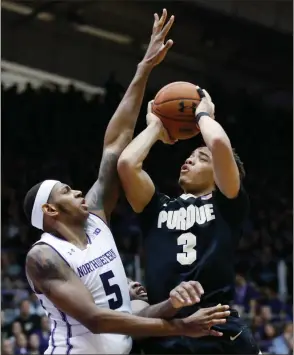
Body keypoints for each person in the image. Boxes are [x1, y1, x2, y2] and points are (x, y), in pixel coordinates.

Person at [23, 12, 230, 355]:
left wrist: (144, 68)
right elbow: (96, 320)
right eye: (65, 191)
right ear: (50, 210)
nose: (77, 191)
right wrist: (179, 326)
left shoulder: (96, 220)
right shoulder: (44, 257)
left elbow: (114, 146)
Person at [118, 88, 261, 354]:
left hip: (216, 327)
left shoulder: (227, 204)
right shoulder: (157, 207)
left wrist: (203, 114)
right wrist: (156, 127)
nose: (190, 159)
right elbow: (127, 163)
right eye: (190, 156)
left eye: (201, 158)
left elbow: (218, 144)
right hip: (165, 326)